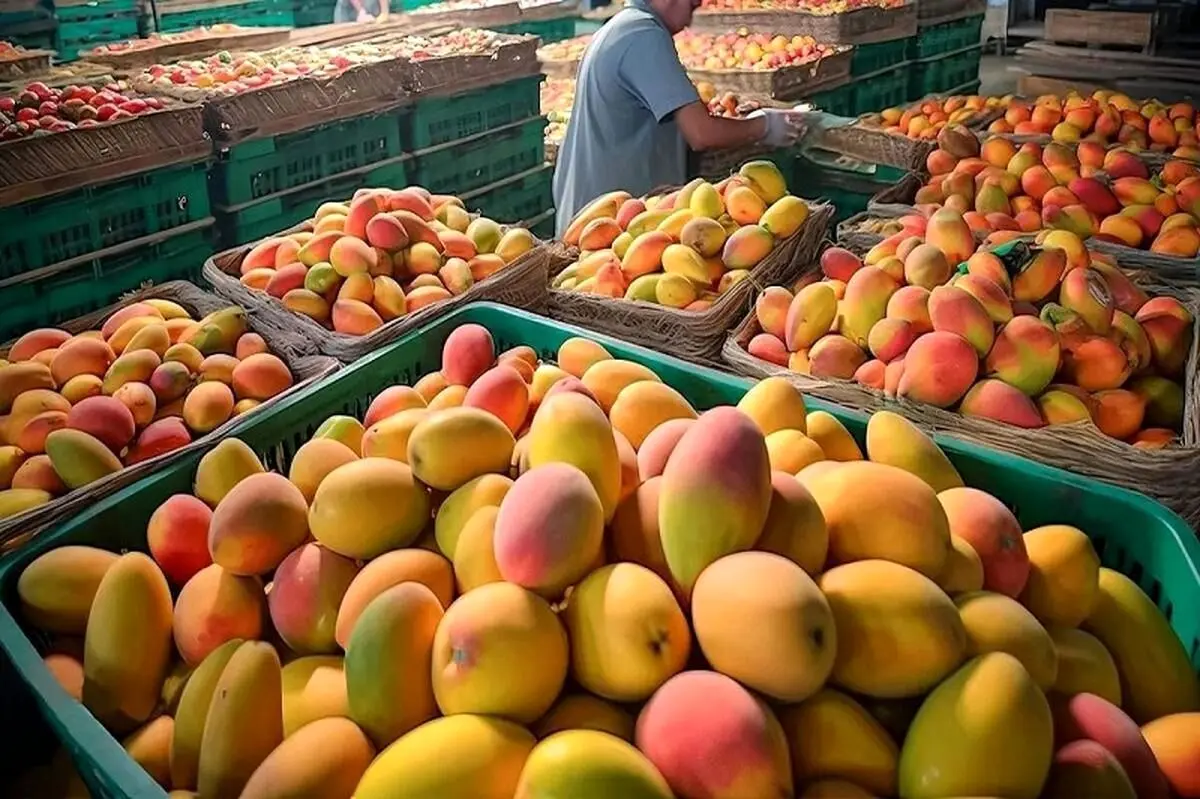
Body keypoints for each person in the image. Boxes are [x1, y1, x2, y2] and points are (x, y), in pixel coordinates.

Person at [552, 0, 805, 235]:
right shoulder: (643, 36)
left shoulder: (621, 27)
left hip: (594, 215)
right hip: (609, 226)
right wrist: (765, 126)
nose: (697, 4)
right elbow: (701, 133)